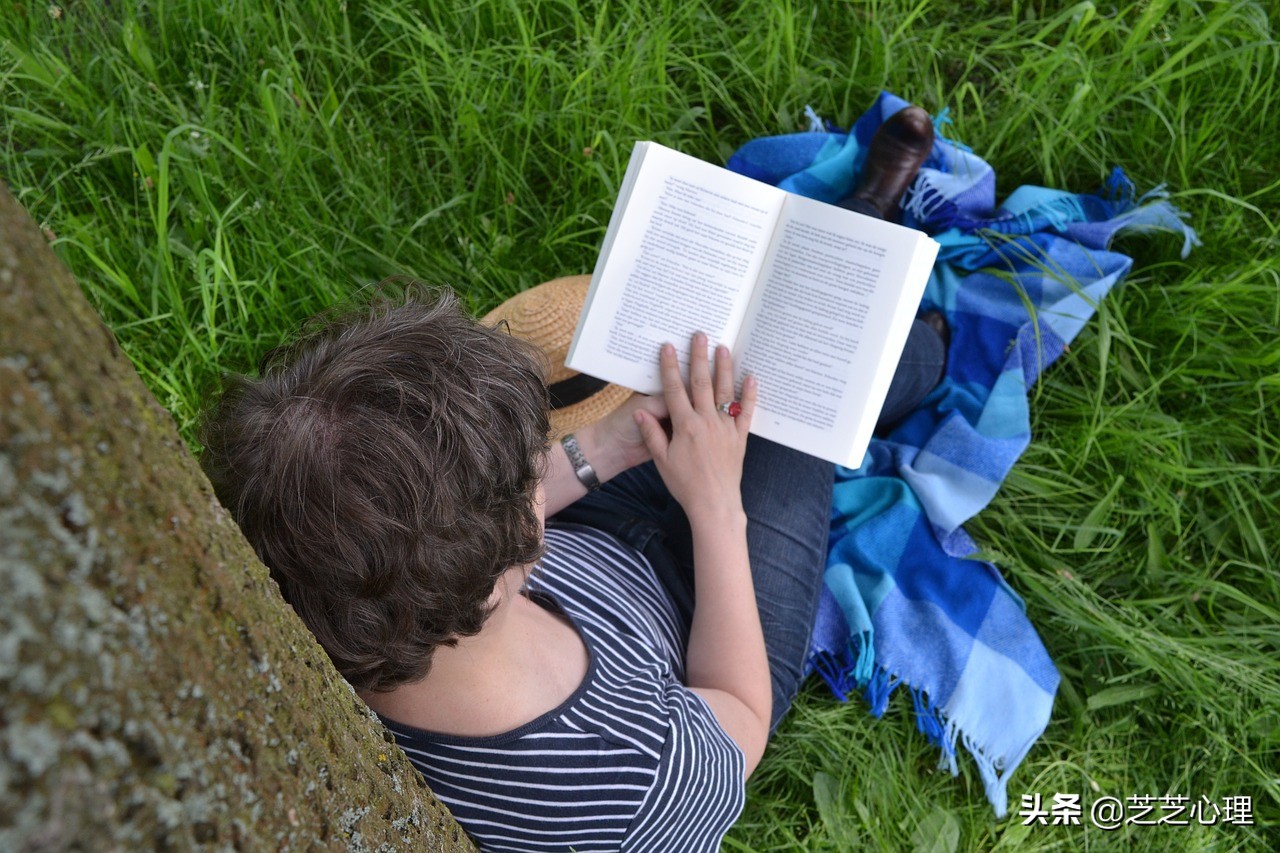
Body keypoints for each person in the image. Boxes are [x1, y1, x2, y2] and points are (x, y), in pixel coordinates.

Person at [200, 107, 940, 852]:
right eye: (535, 469)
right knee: (787, 391)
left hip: (596, 542)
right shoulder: (637, 780)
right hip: (708, 632)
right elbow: (741, 714)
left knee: (723, 379)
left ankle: (865, 256)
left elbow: (439, 537)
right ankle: (913, 307)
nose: (549, 459)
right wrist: (716, 505)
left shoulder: (336, 583)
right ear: (503, 559)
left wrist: (609, 446)